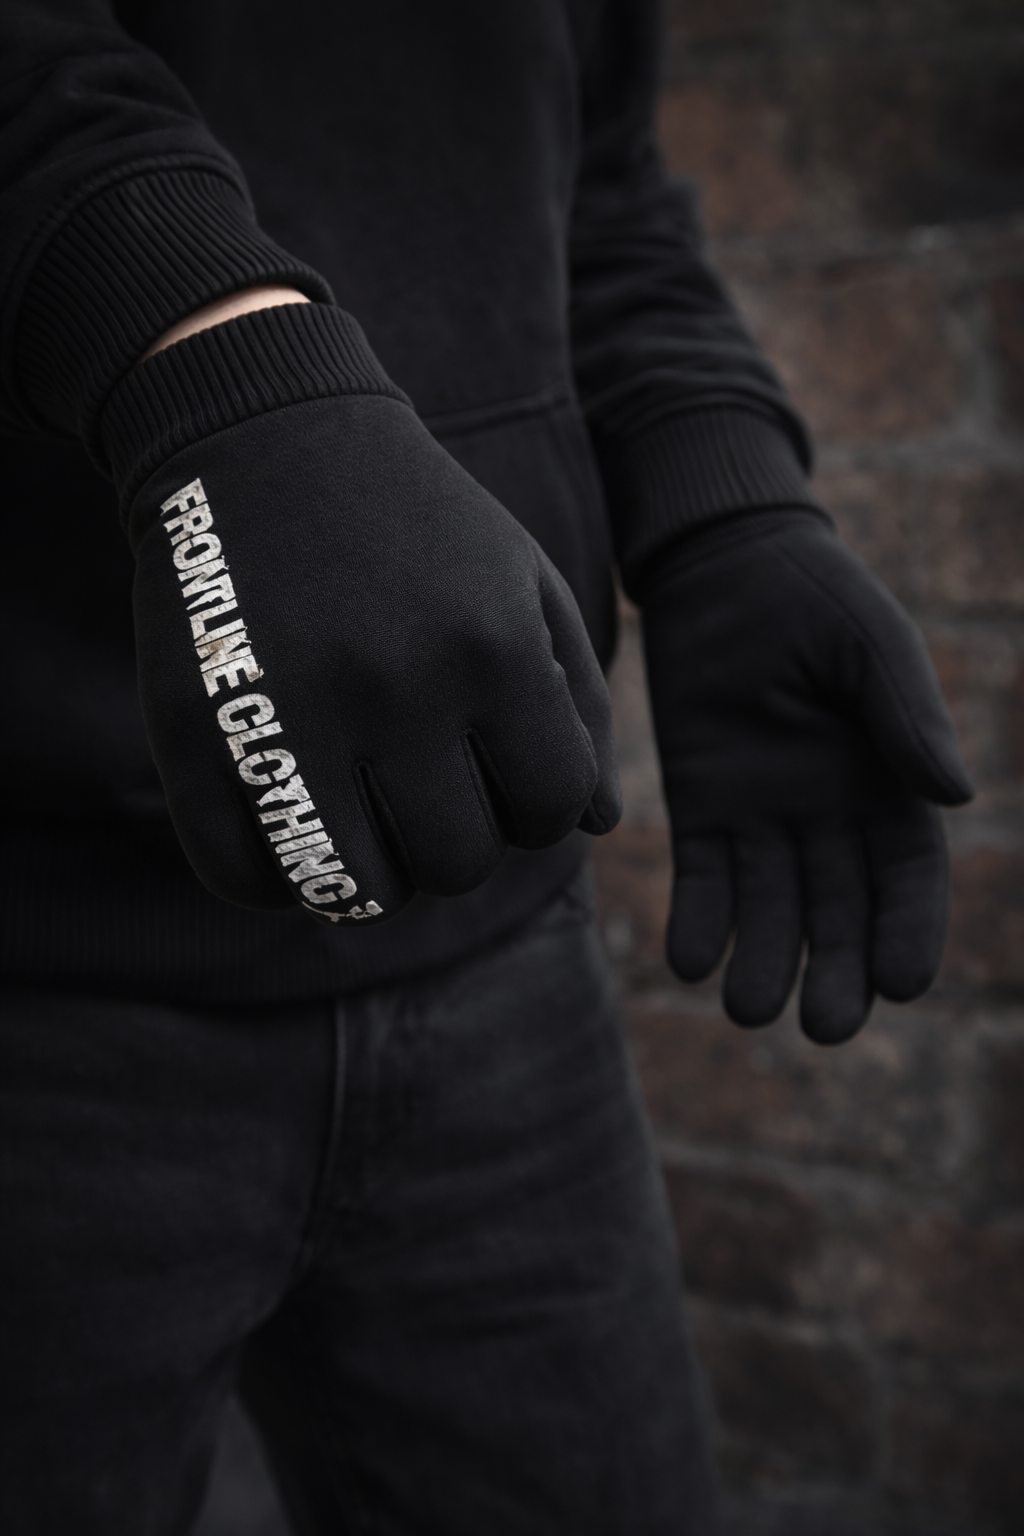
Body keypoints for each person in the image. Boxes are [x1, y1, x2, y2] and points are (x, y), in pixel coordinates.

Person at [0, 1, 972, 1531]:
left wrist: (725, 501)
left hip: (502, 970)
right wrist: (208, 348)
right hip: (46, 983)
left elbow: (600, 180)